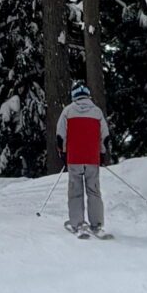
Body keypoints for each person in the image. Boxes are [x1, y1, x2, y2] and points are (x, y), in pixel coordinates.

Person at [56, 80, 108, 239]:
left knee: (75, 191)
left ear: (74, 95)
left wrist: (63, 154)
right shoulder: (97, 112)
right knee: (94, 191)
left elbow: (60, 135)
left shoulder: (68, 111)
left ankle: (78, 223)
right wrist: (102, 153)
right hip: (92, 158)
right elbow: (105, 136)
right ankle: (97, 224)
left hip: (75, 158)